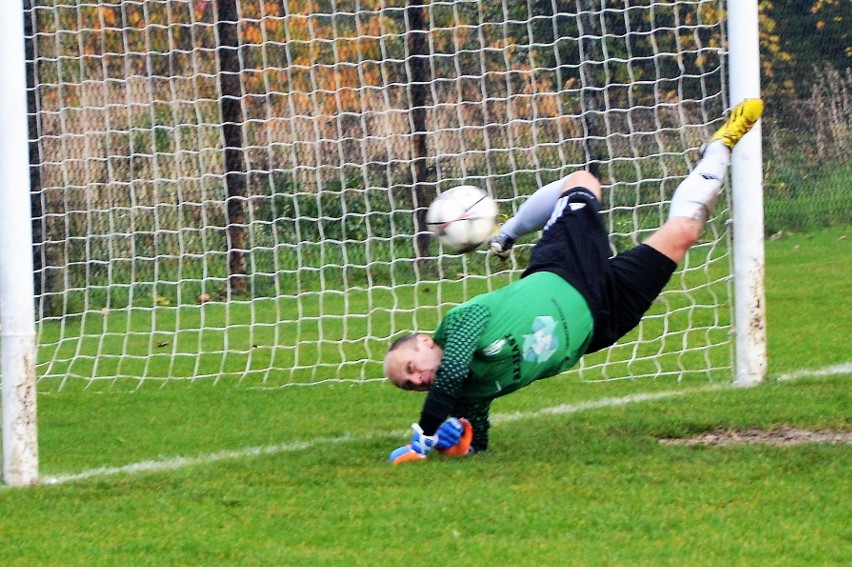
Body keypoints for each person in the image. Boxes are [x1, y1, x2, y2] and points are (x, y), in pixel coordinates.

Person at [385, 99, 765, 463]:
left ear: (424, 341)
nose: (417, 380)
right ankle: (720, 148)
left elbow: (449, 372)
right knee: (684, 232)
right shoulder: (467, 393)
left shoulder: (458, 325)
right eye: (407, 385)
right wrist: (459, 438)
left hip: (565, 269)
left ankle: (509, 231)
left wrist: (425, 435)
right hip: (601, 321)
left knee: (583, 180)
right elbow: (477, 438)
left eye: (410, 368)